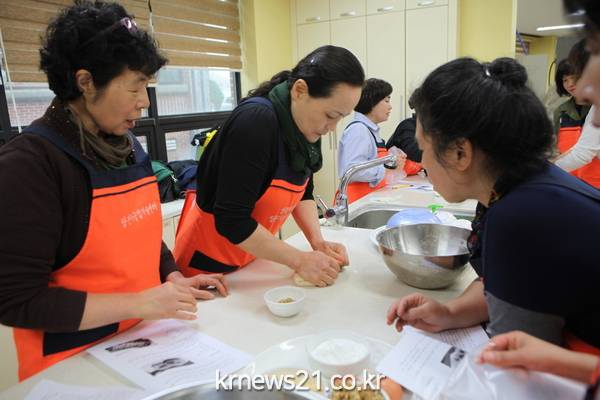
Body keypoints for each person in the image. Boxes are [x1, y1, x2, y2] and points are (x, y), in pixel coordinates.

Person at [0, 1, 228, 381]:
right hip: (73, 362)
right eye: (136, 86)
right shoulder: (29, 165)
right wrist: (141, 301)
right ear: (86, 82)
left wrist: (171, 276)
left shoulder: (125, 145)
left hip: (143, 341)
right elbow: (16, 300)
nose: (145, 101)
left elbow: (139, 233)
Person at [385, 57, 600, 354]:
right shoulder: (520, 188)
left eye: (423, 148)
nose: (422, 162)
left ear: (460, 153)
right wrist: (450, 313)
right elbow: (512, 285)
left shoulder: (518, 215)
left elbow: (520, 358)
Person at [173, 46, 363, 287]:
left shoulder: (304, 125)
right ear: (300, 90)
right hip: (208, 268)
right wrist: (299, 260)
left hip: (249, 260)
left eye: (340, 117)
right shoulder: (256, 122)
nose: (332, 127)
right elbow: (232, 220)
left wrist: (318, 243)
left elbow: (303, 190)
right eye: (331, 115)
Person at [337, 78, 405, 203]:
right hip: (355, 201)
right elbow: (352, 170)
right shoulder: (358, 130)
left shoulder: (369, 130)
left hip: (367, 198)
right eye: (386, 101)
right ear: (372, 102)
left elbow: (369, 162)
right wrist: (385, 171)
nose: (390, 107)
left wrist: (391, 163)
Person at [554, 41, 600, 188]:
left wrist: (547, 170)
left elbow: (582, 153)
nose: (571, 83)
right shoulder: (560, 111)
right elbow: (583, 147)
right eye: (565, 80)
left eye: (576, 75)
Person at [386, 92, 423, 176]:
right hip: (393, 178)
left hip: (410, 177)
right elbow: (415, 154)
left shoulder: (432, 129)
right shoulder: (407, 126)